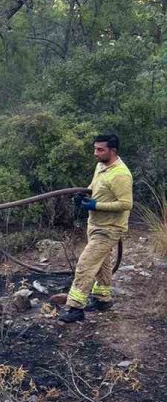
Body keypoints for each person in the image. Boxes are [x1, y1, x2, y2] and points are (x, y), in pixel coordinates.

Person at [59, 133, 133, 323]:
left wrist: (96, 206)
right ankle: (103, 300)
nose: (95, 153)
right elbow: (95, 187)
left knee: (85, 264)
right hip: (96, 224)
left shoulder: (121, 175)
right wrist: (84, 196)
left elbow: (126, 204)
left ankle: (75, 307)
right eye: (95, 149)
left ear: (113, 151)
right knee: (102, 263)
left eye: (100, 149)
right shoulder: (101, 165)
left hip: (110, 228)